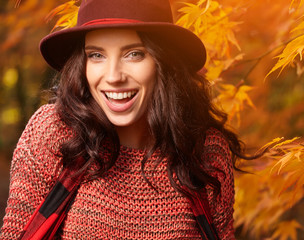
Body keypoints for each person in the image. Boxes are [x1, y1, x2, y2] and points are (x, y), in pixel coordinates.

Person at [0, 0, 245, 239]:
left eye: (134, 54)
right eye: (96, 55)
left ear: (164, 62)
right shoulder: (53, 132)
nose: (114, 76)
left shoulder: (206, 150)